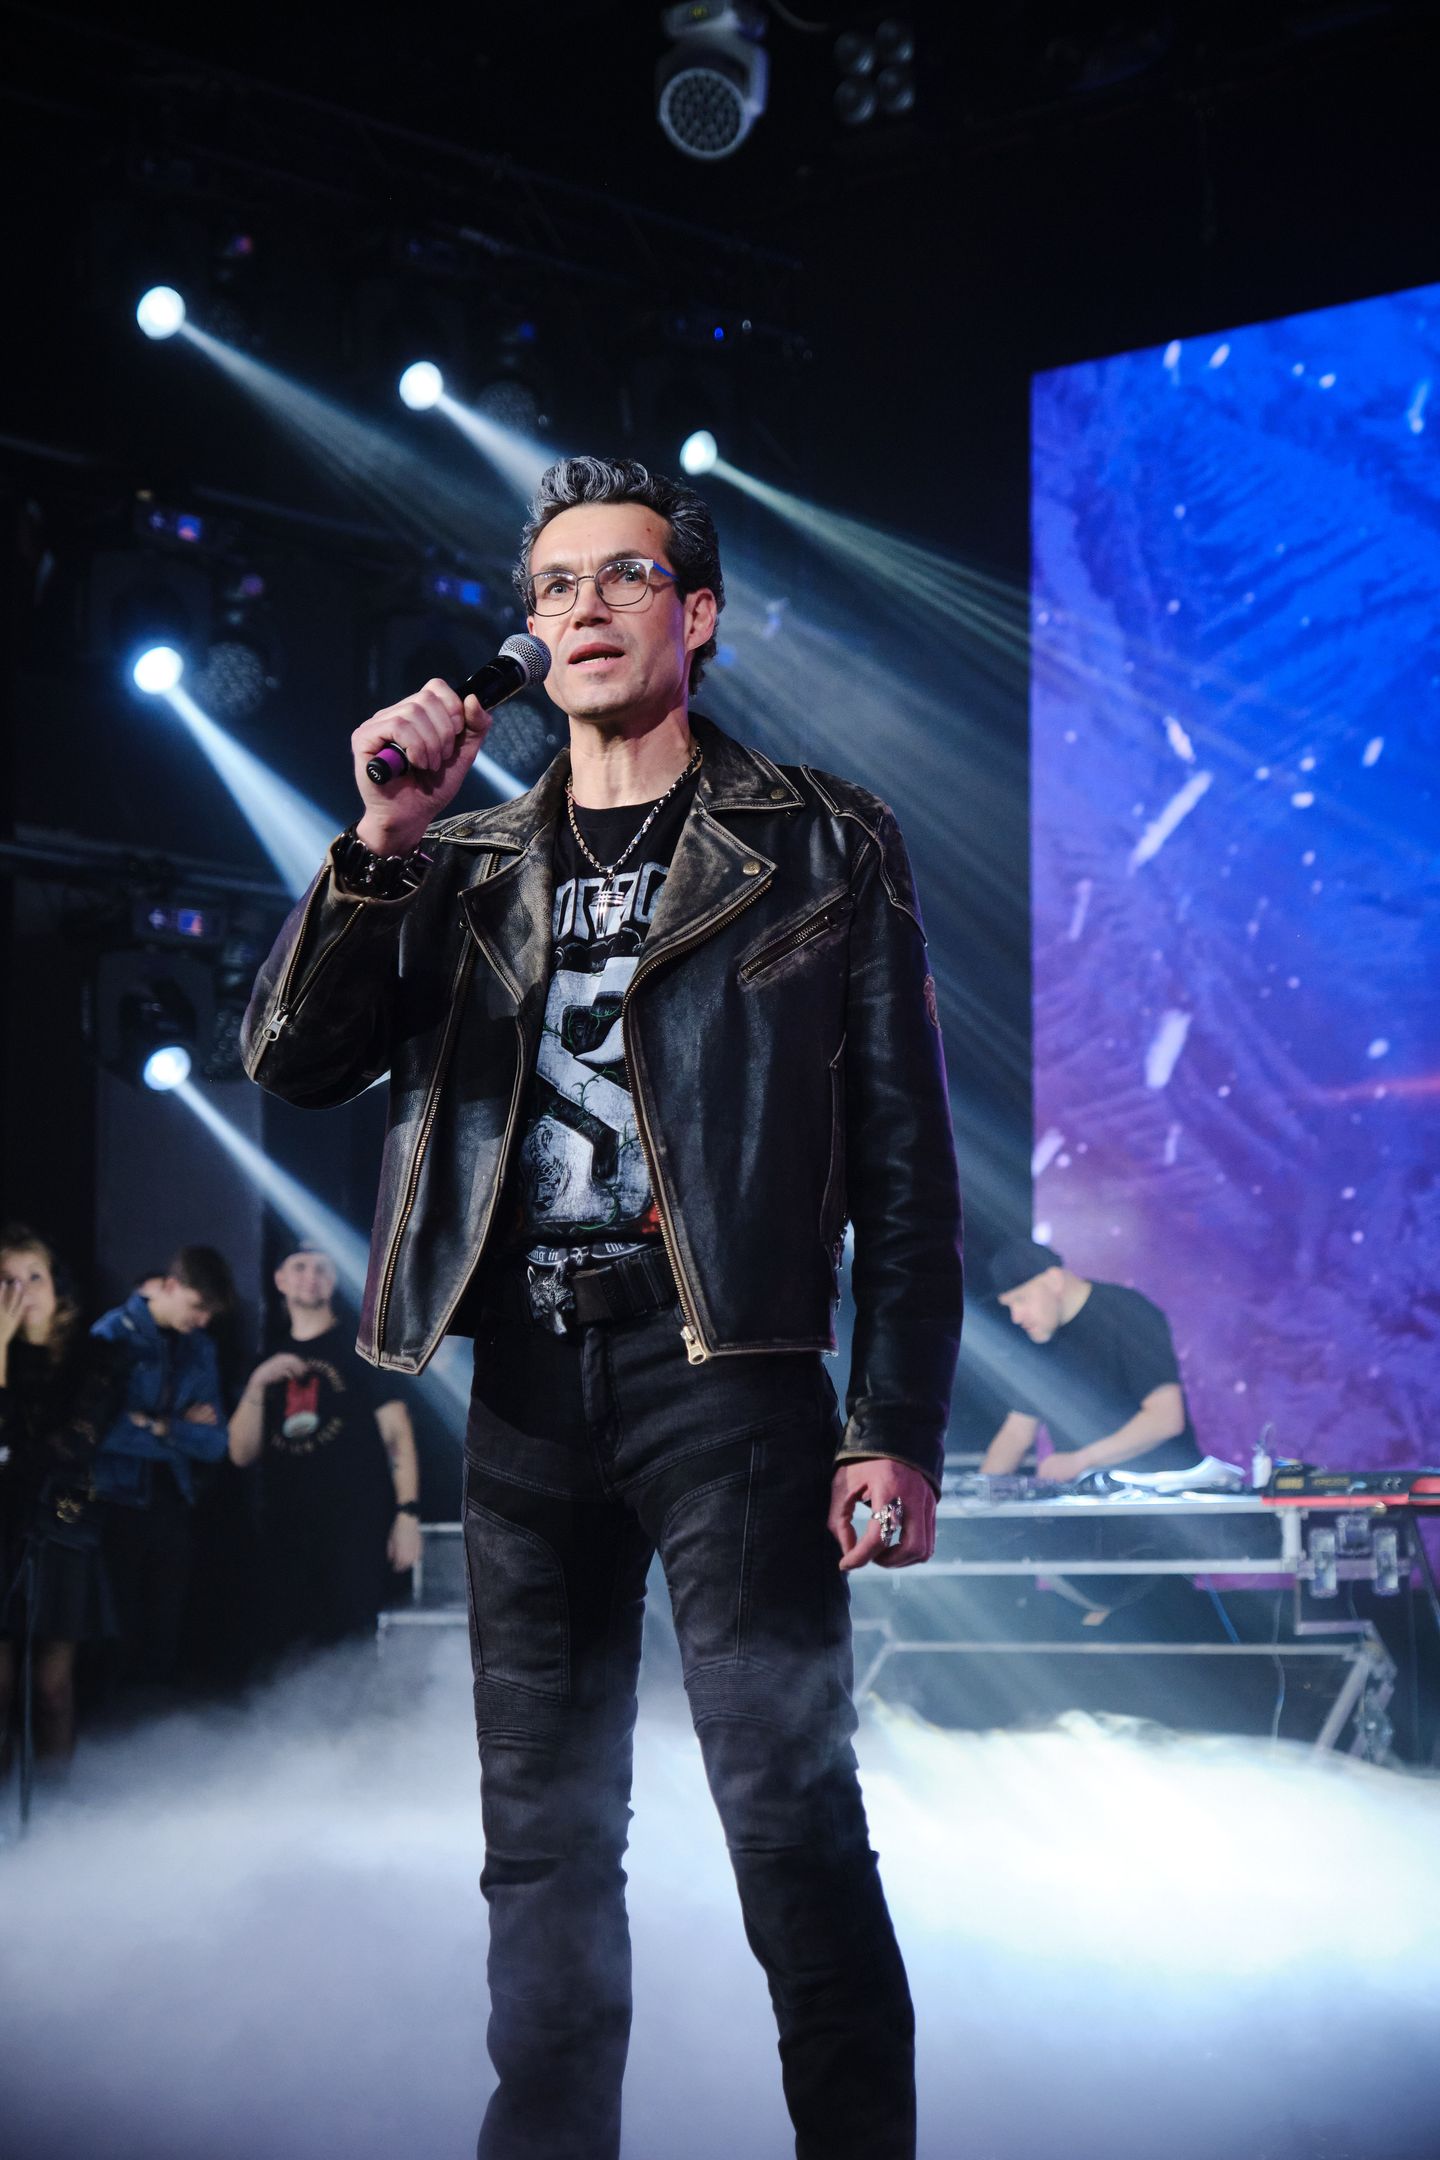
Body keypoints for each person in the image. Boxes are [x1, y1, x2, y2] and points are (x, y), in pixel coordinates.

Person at [242, 453, 963, 2160]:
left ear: (693, 614)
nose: (580, 609)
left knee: (789, 1822)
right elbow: (289, 1058)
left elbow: (905, 1164)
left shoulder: (818, 839)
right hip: (524, 1395)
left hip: (732, 1387)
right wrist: (378, 844)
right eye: (552, 585)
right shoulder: (457, 858)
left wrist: (894, 1425)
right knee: (544, 1845)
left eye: (621, 576)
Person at [227, 1244, 422, 1651]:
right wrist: (258, 1384)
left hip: (355, 1530)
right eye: (300, 1267)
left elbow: (397, 1433)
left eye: (321, 1269)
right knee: (287, 1652)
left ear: (333, 1282)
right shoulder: (265, 1359)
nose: (311, 1277)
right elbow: (241, 1453)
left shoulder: (363, 1349)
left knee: (353, 1647)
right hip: (285, 1530)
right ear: (280, 1280)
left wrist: (407, 1515)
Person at [0, 1227, 125, 1773]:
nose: (20, 1291)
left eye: (34, 1277)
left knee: (52, 1687)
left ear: (56, 1286)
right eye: (6, 1280)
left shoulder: (95, 1358)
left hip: (59, 1527)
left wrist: (10, 1457)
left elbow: (69, 1450)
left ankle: (59, 1807)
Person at [91, 1246, 234, 1690]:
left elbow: (216, 1443)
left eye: (210, 1313)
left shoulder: (201, 1347)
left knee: (163, 1635)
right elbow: (101, 1432)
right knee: (116, 1633)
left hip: (174, 1503)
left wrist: (156, 1424)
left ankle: (154, 1724)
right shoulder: (112, 1333)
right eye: (197, 1307)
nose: (202, 1320)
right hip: (114, 1502)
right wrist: (180, 1430)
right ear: (171, 1287)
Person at [979, 1237, 1203, 1481]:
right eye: (1009, 1306)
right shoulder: (1038, 1340)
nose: (1016, 1316)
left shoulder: (1128, 1313)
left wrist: (1081, 1460)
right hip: (1091, 1496)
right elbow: (1017, 1433)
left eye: (1021, 1300)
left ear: (1054, 1280)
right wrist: (980, 1493)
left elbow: (1165, 1418)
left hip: (1162, 1491)